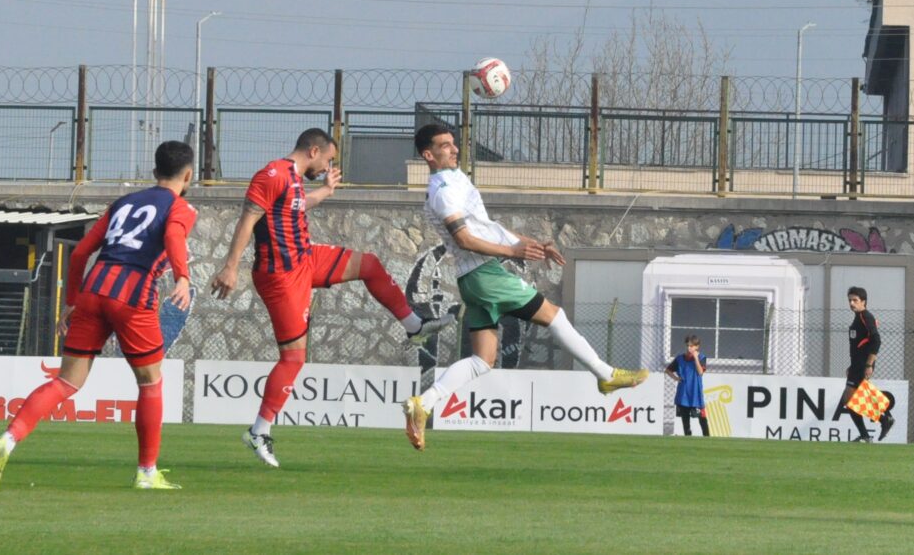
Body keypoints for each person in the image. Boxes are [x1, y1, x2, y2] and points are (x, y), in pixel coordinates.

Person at [210, 128, 453, 467]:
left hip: (305, 259)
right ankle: (258, 431)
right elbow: (247, 220)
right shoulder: (273, 174)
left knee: (369, 264)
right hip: (282, 275)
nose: (328, 166)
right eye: (328, 159)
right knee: (293, 359)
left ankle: (415, 326)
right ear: (313, 151)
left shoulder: (294, 179)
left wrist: (325, 190)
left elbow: (296, 208)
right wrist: (230, 266)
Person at [402, 124, 649, 451]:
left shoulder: (454, 179)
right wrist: (512, 252)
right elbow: (464, 239)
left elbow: (487, 228)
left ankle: (424, 402)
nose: (455, 149)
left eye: (453, 143)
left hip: (473, 279)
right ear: (428, 155)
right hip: (485, 275)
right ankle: (606, 375)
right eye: (445, 145)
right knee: (555, 316)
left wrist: (530, 244)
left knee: (483, 360)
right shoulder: (443, 190)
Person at [0, 140, 198, 489]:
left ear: (155, 171)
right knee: (150, 382)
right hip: (132, 295)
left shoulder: (122, 203)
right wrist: (182, 277)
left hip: (93, 290)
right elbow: (173, 234)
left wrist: (72, 301)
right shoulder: (180, 207)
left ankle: (7, 439)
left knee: (66, 381)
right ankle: (146, 473)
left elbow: (82, 252)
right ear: (188, 175)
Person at [841, 286, 895, 442]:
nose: (851, 303)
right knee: (851, 400)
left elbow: (876, 340)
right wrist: (852, 365)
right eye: (850, 300)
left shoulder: (866, 316)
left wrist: (869, 365)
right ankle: (880, 422)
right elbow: (859, 345)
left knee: (849, 400)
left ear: (863, 301)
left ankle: (882, 421)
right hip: (857, 365)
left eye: (855, 300)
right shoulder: (858, 317)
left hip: (862, 365)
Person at [666, 335, 709, 437]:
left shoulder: (702, 357)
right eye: (688, 345)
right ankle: (688, 436)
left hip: (696, 394)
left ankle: (707, 437)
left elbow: (700, 372)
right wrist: (676, 378)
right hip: (683, 394)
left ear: (697, 346)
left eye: (691, 346)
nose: (689, 348)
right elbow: (668, 370)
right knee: (685, 420)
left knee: (702, 418)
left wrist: (696, 358)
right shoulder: (680, 359)